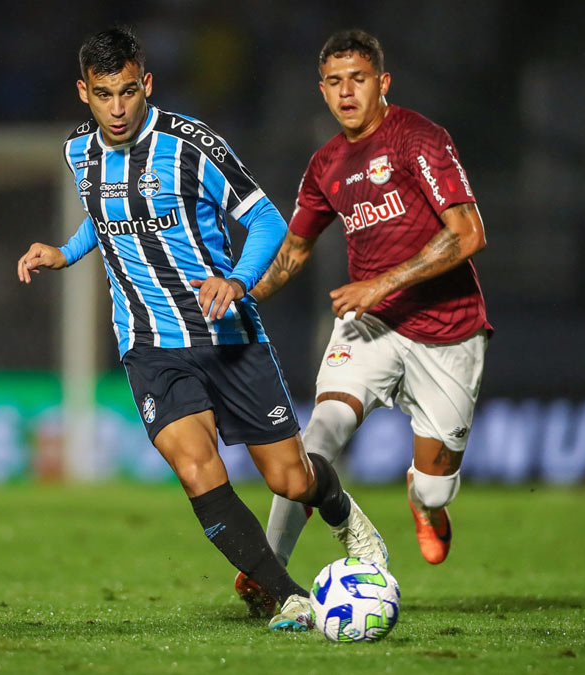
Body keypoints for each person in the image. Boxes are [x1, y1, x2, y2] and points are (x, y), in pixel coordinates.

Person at [16, 27, 387, 632]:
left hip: (228, 335)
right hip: (149, 344)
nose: (117, 108)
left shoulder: (192, 145)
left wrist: (238, 279)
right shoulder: (78, 151)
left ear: (148, 85)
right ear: (84, 92)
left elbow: (266, 219)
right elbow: (107, 217)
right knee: (196, 468)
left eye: (128, 92)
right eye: (103, 94)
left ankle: (345, 517)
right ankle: (285, 596)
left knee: (290, 479)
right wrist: (65, 251)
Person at [236, 29, 491, 613]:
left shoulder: (420, 140)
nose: (347, 92)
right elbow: (295, 252)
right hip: (369, 326)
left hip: (447, 331)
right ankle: (266, 571)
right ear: (321, 90)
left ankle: (425, 503)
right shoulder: (326, 164)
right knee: (317, 435)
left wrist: (380, 282)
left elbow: (469, 234)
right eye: (334, 82)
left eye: (358, 79)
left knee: (433, 481)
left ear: (383, 83)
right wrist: (239, 295)